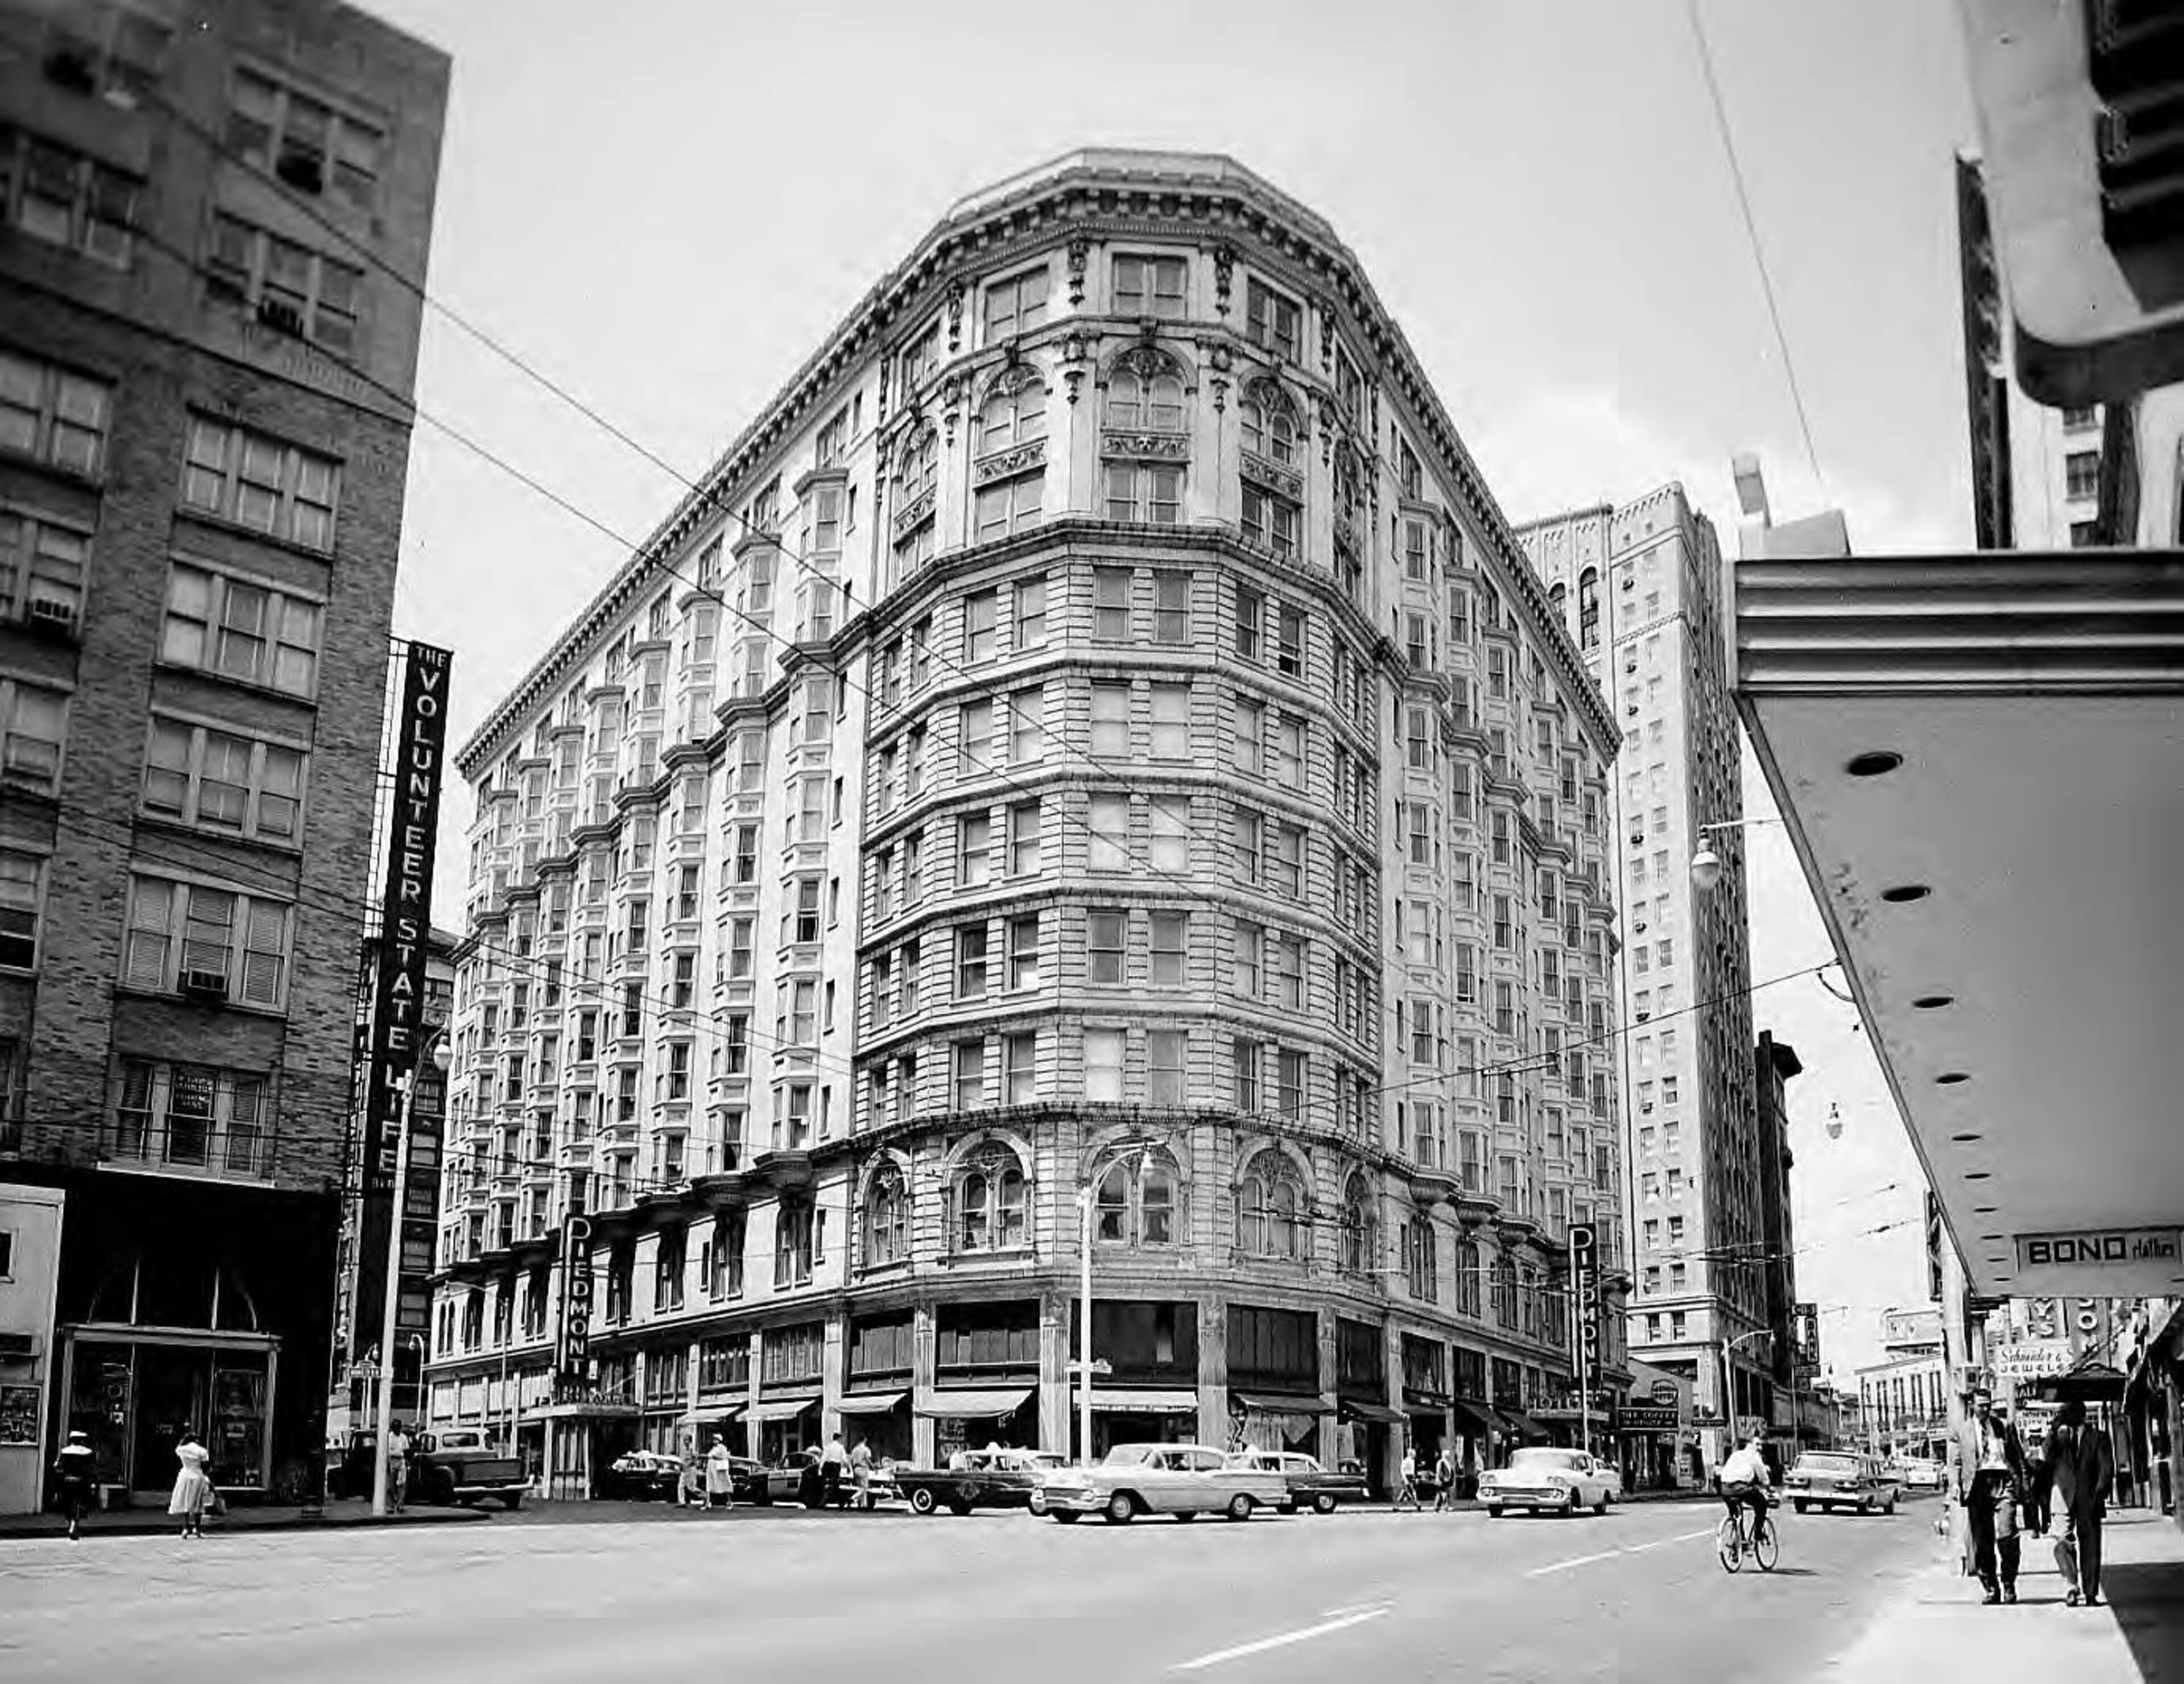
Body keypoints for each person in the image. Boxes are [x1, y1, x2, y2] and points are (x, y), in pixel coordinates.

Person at [1953, 1388, 2028, 1605]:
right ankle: (1991, 1587)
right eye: (1981, 1405)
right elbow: (1957, 1462)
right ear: (1973, 1406)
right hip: (1978, 1486)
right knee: (1983, 1541)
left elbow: (2017, 1457)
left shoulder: (2004, 1426)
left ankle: (2009, 1584)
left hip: (2003, 1483)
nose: (1986, 1408)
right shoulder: (1963, 1430)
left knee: (2008, 1536)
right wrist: (1956, 1486)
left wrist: (2023, 1486)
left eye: (1988, 1404)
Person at [2046, 1400, 2115, 1608]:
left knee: (2091, 1545)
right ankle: (2071, 1585)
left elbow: (2106, 1466)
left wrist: (2100, 1492)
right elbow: (2048, 1457)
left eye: (2069, 1413)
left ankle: (2091, 1593)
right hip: (2064, 1495)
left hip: (2089, 1497)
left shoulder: (2098, 1437)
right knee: (2061, 1542)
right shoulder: (2059, 1438)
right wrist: (2054, 1430)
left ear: (2082, 1415)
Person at [1718, 1434, 1773, 1560]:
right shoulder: (1754, 1457)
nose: (1760, 1447)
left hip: (1725, 1489)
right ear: (1750, 1445)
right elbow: (1764, 1478)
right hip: (1741, 1488)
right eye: (1757, 1444)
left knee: (1737, 1515)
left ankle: (1739, 1544)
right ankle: (1758, 1534)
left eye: (1761, 1445)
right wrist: (1769, 1489)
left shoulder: (1736, 1455)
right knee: (1762, 1504)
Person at [52, 1431, 97, 1542]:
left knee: (69, 1503)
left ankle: (72, 1524)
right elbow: (92, 1469)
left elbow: (57, 1465)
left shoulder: (65, 1451)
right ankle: (74, 1525)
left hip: (67, 1481)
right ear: (82, 1441)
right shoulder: (88, 1452)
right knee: (81, 1503)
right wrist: (93, 1483)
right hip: (82, 1482)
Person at [169, 1431, 214, 1540]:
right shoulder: (201, 1451)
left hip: (184, 1475)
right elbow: (205, 1466)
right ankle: (197, 1529)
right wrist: (208, 1478)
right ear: (196, 1440)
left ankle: (185, 1529)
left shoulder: (182, 1449)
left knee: (186, 1503)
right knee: (198, 1504)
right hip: (197, 1475)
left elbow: (178, 1449)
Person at [385, 1421, 412, 1514]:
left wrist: (407, 1462)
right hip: (391, 1460)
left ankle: (400, 1505)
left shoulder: (404, 1437)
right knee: (391, 1485)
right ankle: (391, 1505)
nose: (397, 1429)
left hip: (401, 1460)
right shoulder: (389, 1437)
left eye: (398, 1427)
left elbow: (406, 1450)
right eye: (395, 1427)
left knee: (401, 1484)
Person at [704, 1434, 737, 1510]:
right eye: (714, 1439)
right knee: (709, 1485)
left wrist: (715, 1457)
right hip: (712, 1469)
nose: (714, 1441)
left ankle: (729, 1503)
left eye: (716, 1439)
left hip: (720, 1470)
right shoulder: (713, 1449)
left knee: (725, 1485)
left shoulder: (722, 1448)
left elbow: (724, 1457)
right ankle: (708, 1503)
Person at [820, 1433, 847, 1507]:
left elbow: (824, 1457)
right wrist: (849, 1467)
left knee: (828, 1483)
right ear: (839, 1439)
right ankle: (840, 1501)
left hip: (828, 1466)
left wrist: (820, 1468)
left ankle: (824, 1499)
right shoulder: (841, 1447)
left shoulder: (828, 1447)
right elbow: (844, 1459)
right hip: (836, 1466)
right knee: (836, 1483)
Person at [1393, 1446, 1421, 1512]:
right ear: (1411, 1454)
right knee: (1412, 1492)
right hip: (1407, 1478)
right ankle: (1417, 1504)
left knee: (1404, 1493)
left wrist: (1414, 1478)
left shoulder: (1412, 1461)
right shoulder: (1406, 1461)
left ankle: (1397, 1507)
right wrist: (1405, 1479)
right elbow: (1402, 1470)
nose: (1415, 1455)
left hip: (1410, 1477)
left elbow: (1413, 1471)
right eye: (1414, 1454)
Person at [850, 1439, 874, 1510]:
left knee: (861, 1487)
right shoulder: (866, 1449)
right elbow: (868, 1459)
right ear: (865, 1440)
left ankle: (863, 1505)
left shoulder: (854, 1450)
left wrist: (853, 1470)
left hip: (856, 1469)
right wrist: (873, 1467)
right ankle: (853, 1498)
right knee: (864, 1488)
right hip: (863, 1469)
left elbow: (851, 1460)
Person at [1432, 1448, 1456, 1513]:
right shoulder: (1441, 1462)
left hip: (1447, 1481)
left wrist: (1451, 1479)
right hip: (1442, 1481)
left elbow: (1450, 1471)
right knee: (1444, 1494)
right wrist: (1443, 1479)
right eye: (1448, 1455)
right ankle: (1446, 1507)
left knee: (1440, 1495)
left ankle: (1437, 1508)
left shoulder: (1448, 1462)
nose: (1449, 1456)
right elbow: (1439, 1472)